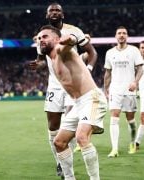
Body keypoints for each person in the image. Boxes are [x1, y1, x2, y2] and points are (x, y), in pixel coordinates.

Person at [28, 3, 97, 178]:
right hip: (54, 85)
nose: (55, 13)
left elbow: (92, 52)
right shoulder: (42, 37)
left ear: (63, 14)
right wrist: (39, 64)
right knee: (52, 127)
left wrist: (88, 69)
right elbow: (43, 60)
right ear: (46, 15)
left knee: (68, 123)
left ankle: (69, 166)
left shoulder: (74, 31)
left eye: (58, 10)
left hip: (72, 85)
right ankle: (60, 161)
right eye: (51, 10)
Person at [37, 25, 107, 180]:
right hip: (79, 104)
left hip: (92, 98)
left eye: (45, 37)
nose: (41, 40)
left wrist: (70, 39)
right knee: (59, 142)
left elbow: (70, 42)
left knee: (82, 137)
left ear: (56, 39)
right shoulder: (51, 59)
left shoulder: (61, 49)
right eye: (39, 38)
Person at [104, 26, 143, 157]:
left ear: (127, 36)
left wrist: (135, 82)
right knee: (114, 118)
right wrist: (106, 88)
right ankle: (114, 149)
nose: (121, 35)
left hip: (129, 90)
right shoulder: (110, 53)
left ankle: (132, 142)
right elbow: (108, 72)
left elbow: (140, 69)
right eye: (119, 33)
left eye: (124, 33)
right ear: (115, 36)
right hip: (115, 90)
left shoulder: (134, 51)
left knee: (130, 120)